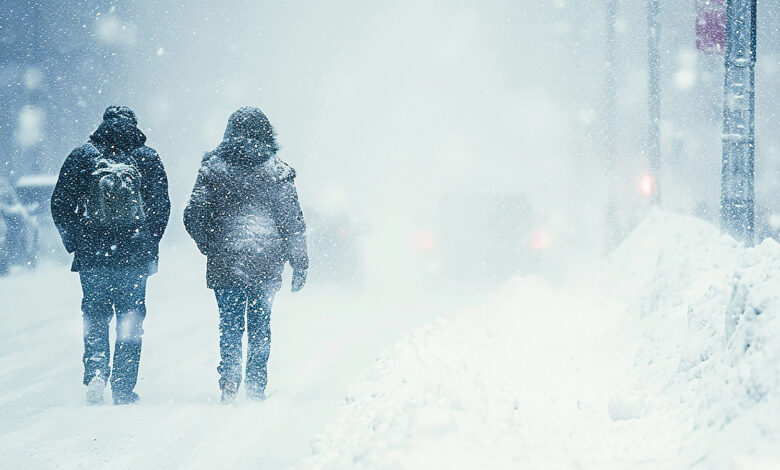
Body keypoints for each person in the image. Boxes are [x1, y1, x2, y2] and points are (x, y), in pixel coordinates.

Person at [184, 106, 308, 403]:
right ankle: (256, 384)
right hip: (266, 259)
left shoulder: (213, 168)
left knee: (229, 323)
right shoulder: (277, 170)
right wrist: (299, 262)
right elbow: (292, 221)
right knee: (260, 323)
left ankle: (229, 379)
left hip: (226, 259)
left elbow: (194, 215)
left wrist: (210, 244)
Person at [51, 106, 170, 405]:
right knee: (130, 319)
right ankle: (123, 386)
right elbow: (161, 206)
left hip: (93, 256)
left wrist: (77, 241)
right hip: (133, 256)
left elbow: (60, 204)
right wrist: (148, 241)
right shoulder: (147, 158)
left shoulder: (82, 156)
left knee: (95, 315)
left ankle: (96, 370)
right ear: (134, 125)